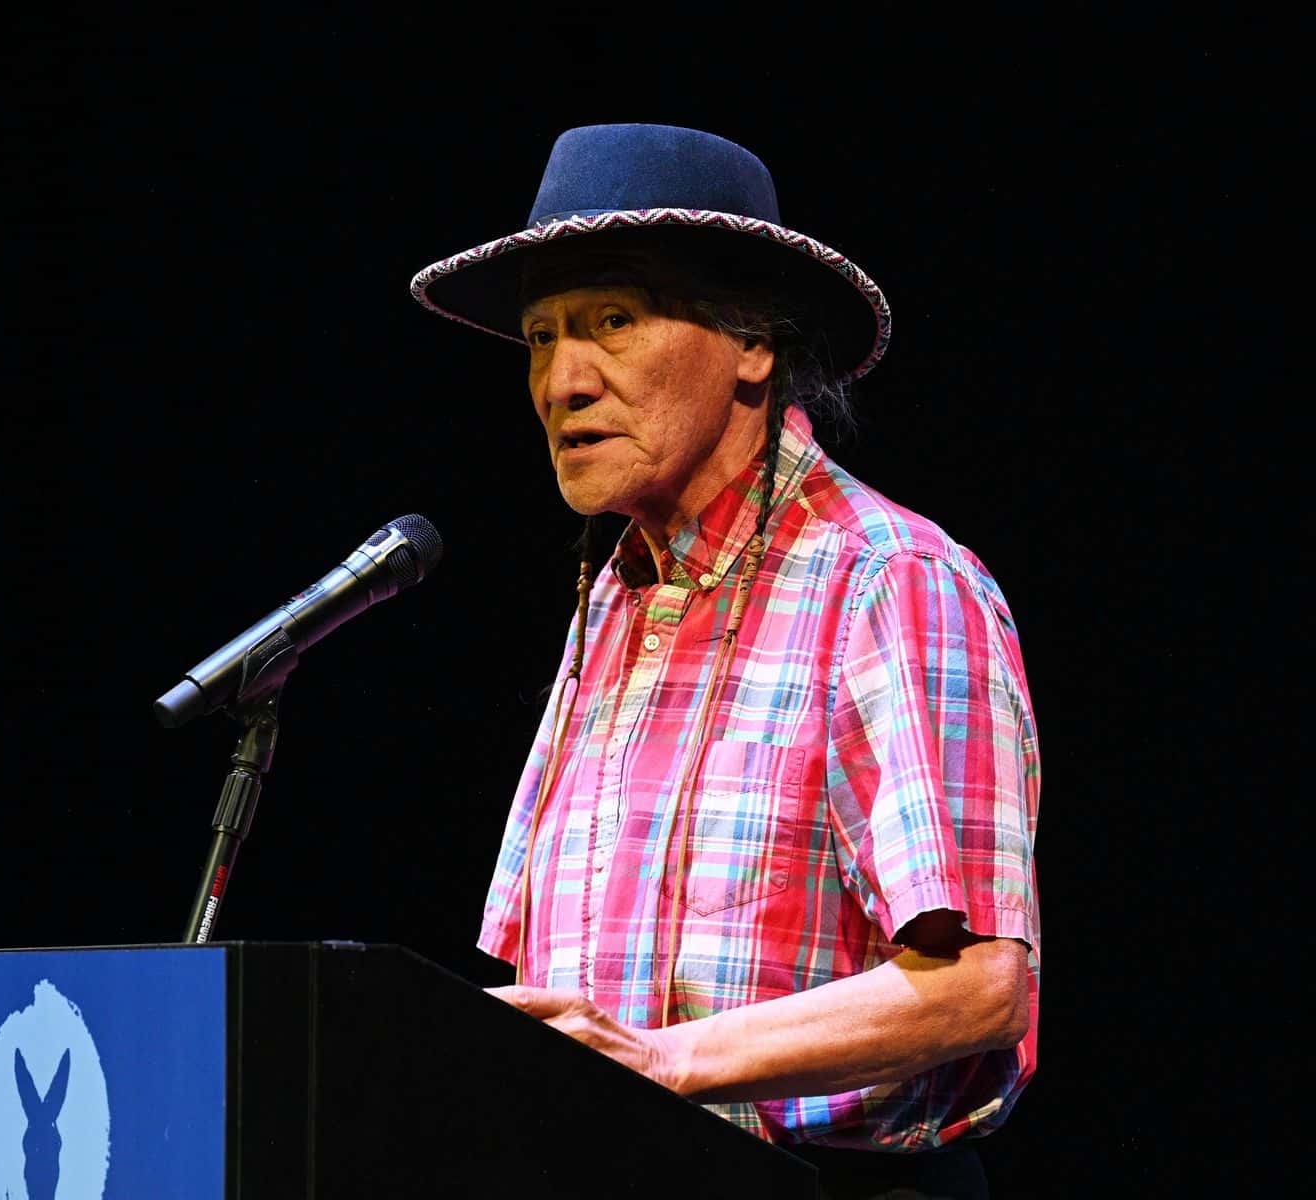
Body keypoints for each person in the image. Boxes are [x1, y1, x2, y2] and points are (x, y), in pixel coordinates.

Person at [411, 124, 1041, 1200]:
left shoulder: (886, 582)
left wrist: (664, 1063)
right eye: (541, 338)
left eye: (613, 320)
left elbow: (977, 989)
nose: (564, 380)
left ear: (751, 340)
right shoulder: (612, 603)